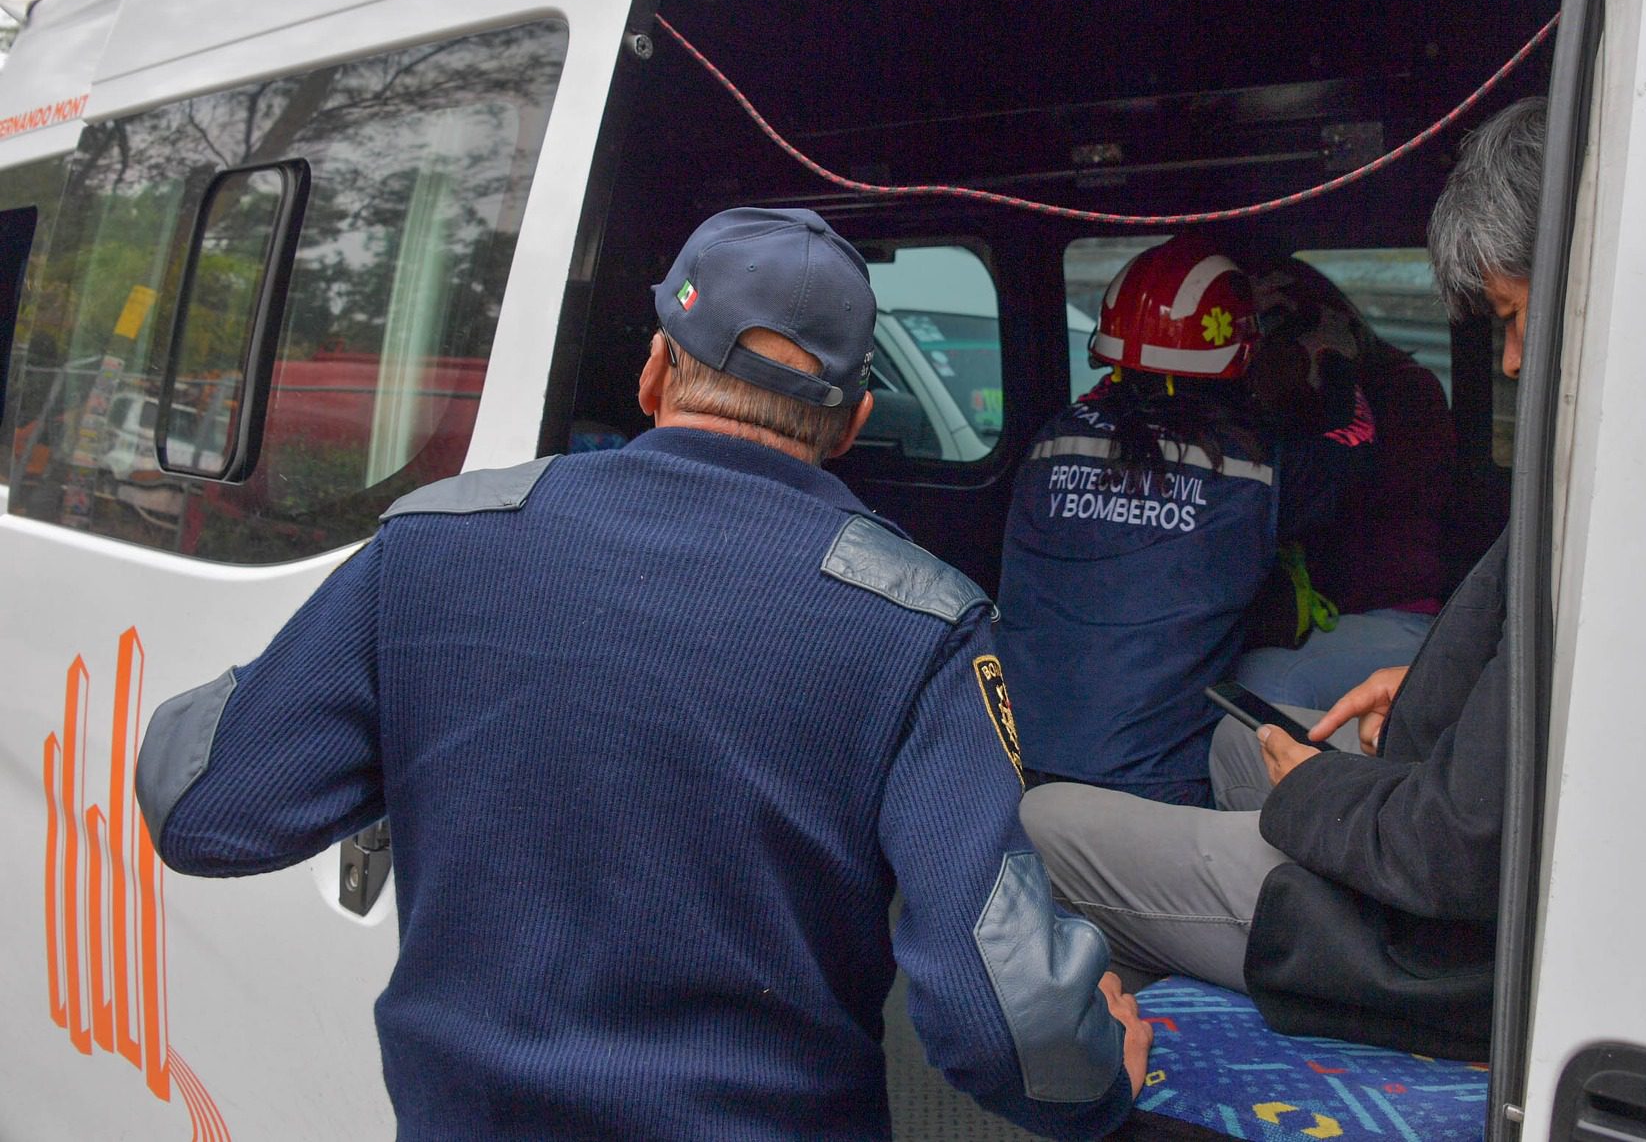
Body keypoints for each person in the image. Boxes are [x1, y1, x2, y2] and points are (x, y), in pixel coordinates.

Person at [134, 206, 1149, 1141]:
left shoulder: (435, 547)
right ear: (850, 422)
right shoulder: (921, 624)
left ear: (655, 370)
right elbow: (1013, 1026)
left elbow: (205, 806)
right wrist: (1102, 1075)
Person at [1019, 97, 1546, 1060]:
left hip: (1416, 913)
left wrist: (1318, 794)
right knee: (1247, 730)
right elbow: (1346, 455)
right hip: (1413, 845)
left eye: (1512, 319)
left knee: (1047, 818)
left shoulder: (1054, 437)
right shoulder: (1257, 470)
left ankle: (1140, 981)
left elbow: (1453, 842)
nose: (1510, 362)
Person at [995, 235, 1368, 805]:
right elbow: (1358, 446)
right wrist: (1337, 363)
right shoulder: (1255, 469)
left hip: (1009, 759)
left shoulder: (1052, 441)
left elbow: (1118, 396)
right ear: (1244, 355)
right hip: (1155, 784)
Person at [1232, 254, 1456, 709]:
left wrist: (1333, 375)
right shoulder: (1279, 406)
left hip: (1389, 615)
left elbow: (1331, 491)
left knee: (1262, 683)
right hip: (1306, 615)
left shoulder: (1404, 393)